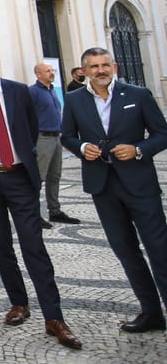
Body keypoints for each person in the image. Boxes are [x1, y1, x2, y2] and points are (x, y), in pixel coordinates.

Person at [0, 43, 81, 349]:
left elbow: (30, 127)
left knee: (33, 245)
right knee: (1, 246)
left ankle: (54, 317)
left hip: (20, 177)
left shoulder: (20, 92)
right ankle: (19, 303)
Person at [61, 47, 167, 333]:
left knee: (160, 250)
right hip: (103, 187)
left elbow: (162, 133)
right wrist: (83, 148)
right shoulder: (74, 100)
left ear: (115, 66)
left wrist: (139, 149)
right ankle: (151, 312)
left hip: (140, 184)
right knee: (126, 251)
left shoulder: (138, 95)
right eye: (94, 66)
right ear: (84, 71)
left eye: (105, 65)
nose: (100, 70)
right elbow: (67, 136)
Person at [27, 62, 79, 229]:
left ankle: (55, 210)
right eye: (47, 71)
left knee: (54, 176)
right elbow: (26, 115)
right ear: (38, 74)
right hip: (42, 138)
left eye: (52, 70)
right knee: (38, 177)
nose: (51, 73)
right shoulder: (33, 92)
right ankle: (33, 213)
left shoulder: (52, 91)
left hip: (56, 137)